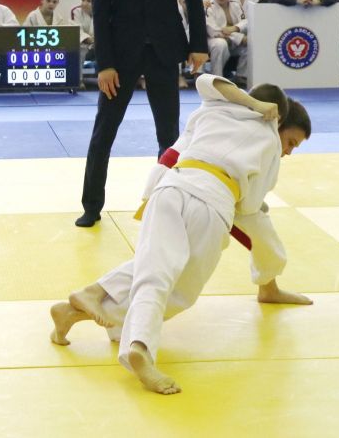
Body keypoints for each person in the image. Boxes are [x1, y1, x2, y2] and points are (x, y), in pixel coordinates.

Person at [51, 74, 310, 395]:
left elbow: (206, 81)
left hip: (169, 186)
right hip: (211, 204)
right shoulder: (268, 138)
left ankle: (82, 304)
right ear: (277, 119)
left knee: (153, 271)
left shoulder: (213, 109)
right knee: (178, 290)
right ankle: (138, 347)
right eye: (291, 143)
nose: (289, 151)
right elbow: (251, 205)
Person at [77, 0, 209, 228]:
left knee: (169, 134)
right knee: (104, 132)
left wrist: (198, 44)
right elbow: (100, 11)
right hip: (120, 55)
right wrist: (104, 64)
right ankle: (91, 205)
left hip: (164, 47)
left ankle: (169, 204)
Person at [206, 0, 247, 80]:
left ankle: (241, 76)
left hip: (232, 42)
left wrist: (235, 28)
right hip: (212, 41)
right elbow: (213, 31)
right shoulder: (209, 7)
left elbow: (245, 22)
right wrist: (239, 37)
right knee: (220, 44)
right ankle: (216, 78)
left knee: (250, 44)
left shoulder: (236, 5)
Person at [72, 0, 94, 86]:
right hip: (84, 43)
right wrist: (89, 39)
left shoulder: (104, 11)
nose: (84, 3)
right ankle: (78, 80)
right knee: (79, 50)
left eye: (89, 1)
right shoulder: (76, 11)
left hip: (101, 43)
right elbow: (77, 30)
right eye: (83, 0)